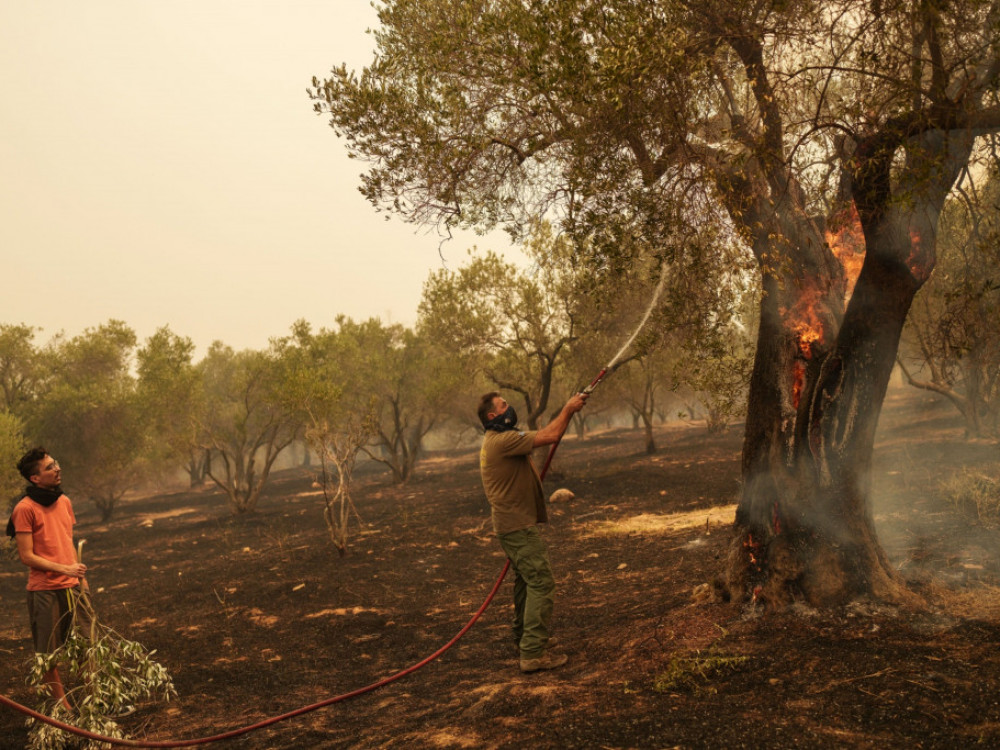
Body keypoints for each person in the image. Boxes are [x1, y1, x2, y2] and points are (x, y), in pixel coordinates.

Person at [477, 390, 587, 673]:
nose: (509, 407)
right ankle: (533, 653)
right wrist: (569, 409)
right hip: (517, 528)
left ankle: (524, 640)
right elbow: (551, 436)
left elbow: (547, 433)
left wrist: (568, 411)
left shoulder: (499, 440)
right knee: (541, 582)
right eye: (504, 406)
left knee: (526, 582)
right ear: (493, 416)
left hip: (511, 525)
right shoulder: (503, 441)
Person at [6, 447, 88, 710]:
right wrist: (63, 569)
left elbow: (66, 540)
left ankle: (95, 701)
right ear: (35, 479)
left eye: (56, 463)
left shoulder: (63, 501)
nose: (57, 469)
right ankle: (63, 710)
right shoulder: (24, 509)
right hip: (45, 591)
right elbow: (27, 557)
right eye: (50, 467)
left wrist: (79, 578)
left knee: (89, 645)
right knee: (48, 656)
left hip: (74, 586)